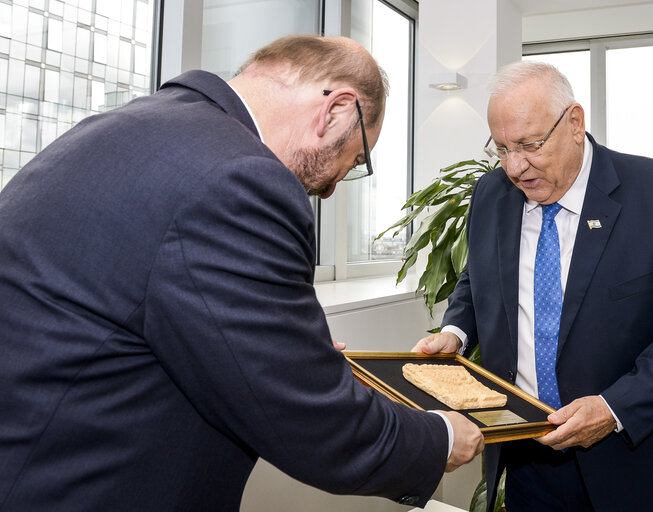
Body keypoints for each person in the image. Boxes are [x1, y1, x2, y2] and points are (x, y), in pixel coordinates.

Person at [0, 35, 484, 511]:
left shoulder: (124, 127)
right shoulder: (239, 178)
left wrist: (288, 356)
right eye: (355, 158)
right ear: (336, 109)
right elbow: (310, 424)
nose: (335, 185)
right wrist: (439, 439)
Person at [414, 61, 653, 511]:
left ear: (575, 122)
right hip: (529, 456)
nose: (514, 166)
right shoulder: (491, 195)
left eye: (529, 145)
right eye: (501, 148)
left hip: (640, 458)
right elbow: (478, 278)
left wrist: (612, 407)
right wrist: (457, 332)